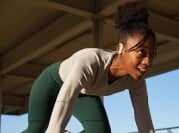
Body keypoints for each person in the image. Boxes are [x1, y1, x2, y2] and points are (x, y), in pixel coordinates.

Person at [22, 1, 157, 133]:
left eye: (152, 54)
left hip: (83, 92)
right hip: (51, 84)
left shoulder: (136, 82)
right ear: (120, 48)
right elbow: (67, 97)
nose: (148, 61)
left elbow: (144, 121)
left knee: (100, 131)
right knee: (36, 129)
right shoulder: (90, 61)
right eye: (141, 52)